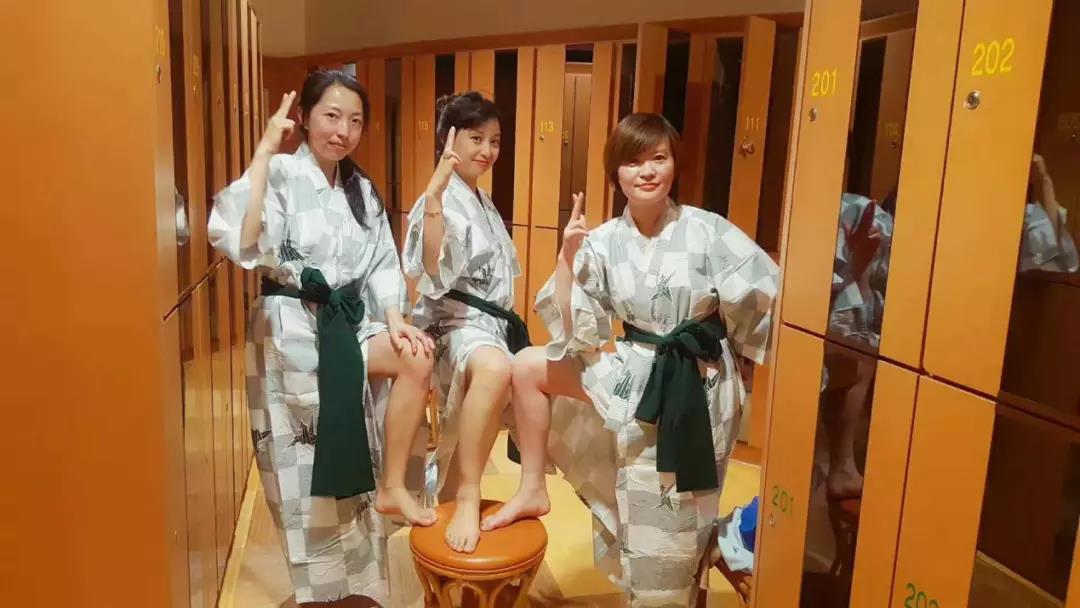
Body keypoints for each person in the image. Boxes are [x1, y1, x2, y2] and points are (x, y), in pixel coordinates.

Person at [486, 113, 779, 604]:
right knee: (637, 490)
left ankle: (692, 572)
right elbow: (575, 329)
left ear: (674, 164)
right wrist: (566, 256)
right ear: (615, 173)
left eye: (658, 158)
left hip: (700, 381)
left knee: (687, 503)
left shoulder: (709, 230)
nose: (647, 171)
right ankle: (537, 490)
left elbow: (769, 300)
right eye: (633, 161)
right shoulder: (602, 241)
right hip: (636, 371)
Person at [208, 69, 436, 606]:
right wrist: (263, 151)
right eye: (332, 116)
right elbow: (244, 239)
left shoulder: (361, 189)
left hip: (348, 322)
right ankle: (318, 593)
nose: (343, 131)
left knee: (414, 358)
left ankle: (391, 490)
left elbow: (382, 261)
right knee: (304, 463)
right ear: (305, 117)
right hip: (291, 331)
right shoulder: (282, 171)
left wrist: (394, 317)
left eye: (355, 121)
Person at [402, 92, 528, 553]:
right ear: (448, 138)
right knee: (495, 369)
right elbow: (430, 269)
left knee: (512, 379)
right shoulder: (439, 195)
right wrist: (434, 199)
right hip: (450, 323)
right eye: (476, 138)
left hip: (487, 327)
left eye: (495, 141)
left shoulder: (483, 200)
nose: (487, 150)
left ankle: (454, 494)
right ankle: (469, 494)